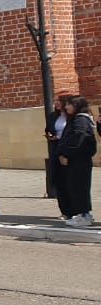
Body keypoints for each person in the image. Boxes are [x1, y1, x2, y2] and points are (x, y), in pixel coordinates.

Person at [58, 95, 96, 227]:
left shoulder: (81, 120)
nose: (66, 107)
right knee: (75, 187)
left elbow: (77, 139)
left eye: (69, 104)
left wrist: (66, 154)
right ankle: (82, 214)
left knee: (80, 188)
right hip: (76, 160)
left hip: (79, 160)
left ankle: (84, 215)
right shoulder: (75, 119)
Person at [46, 93, 72, 219]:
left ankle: (76, 210)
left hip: (69, 150)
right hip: (56, 148)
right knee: (59, 181)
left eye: (58, 101)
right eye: (55, 100)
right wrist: (51, 135)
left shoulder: (72, 116)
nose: (55, 103)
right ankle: (65, 211)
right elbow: (48, 129)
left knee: (70, 182)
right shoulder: (53, 116)